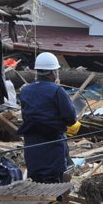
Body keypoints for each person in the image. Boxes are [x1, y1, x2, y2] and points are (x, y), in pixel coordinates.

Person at [16, 52, 77, 183]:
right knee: (54, 186)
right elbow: (71, 118)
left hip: (32, 147)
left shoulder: (25, 90)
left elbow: (26, 115)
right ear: (52, 73)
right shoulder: (57, 91)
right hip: (53, 146)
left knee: (36, 184)